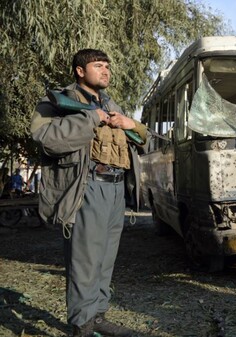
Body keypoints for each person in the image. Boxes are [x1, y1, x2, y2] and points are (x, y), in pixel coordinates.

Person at [30, 49, 147, 336]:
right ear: (80, 71)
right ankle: (82, 325)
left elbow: (139, 138)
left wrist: (131, 124)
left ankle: (98, 316)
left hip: (116, 189)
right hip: (87, 187)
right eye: (98, 66)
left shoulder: (110, 102)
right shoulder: (58, 100)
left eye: (107, 66)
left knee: (106, 258)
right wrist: (91, 118)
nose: (106, 71)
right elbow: (45, 138)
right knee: (85, 260)